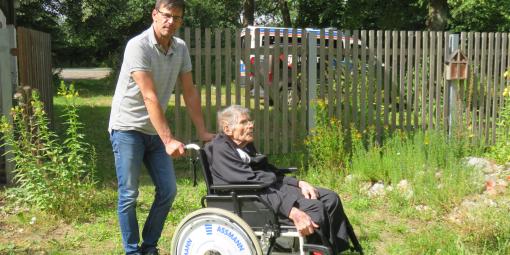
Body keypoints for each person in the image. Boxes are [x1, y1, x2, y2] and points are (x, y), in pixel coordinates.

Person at [108, 1, 214, 254]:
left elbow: (189, 92)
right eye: (167, 16)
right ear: (155, 15)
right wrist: (168, 140)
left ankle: (149, 245)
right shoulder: (138, 45)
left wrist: (202, 131)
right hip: (127, 128)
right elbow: (149, 96)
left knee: (168, 190)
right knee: (129, 194)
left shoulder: (180, 48)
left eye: (177, 18)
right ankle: (132, 250)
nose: (171, 22)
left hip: (154, 130)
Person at [206, 105, 361, 254]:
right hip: (253, 201)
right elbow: (252, 184)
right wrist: (292, 211)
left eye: (250, 121)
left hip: (270, 191)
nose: (251, 125)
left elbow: (269, 172)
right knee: (315, 208)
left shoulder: (244, 145)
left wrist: (299, 183)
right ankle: (316, 251)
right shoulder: (221, 150)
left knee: (330, 198)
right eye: (243, 122)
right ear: (227, 129)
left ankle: (334, 250)